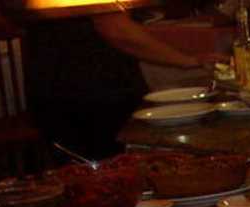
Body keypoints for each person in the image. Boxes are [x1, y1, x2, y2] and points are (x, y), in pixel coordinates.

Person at [25, 8, 224, 160]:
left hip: (70, 87)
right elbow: (116, 29)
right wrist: (188, 61)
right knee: (108, 173)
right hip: (88, 93)